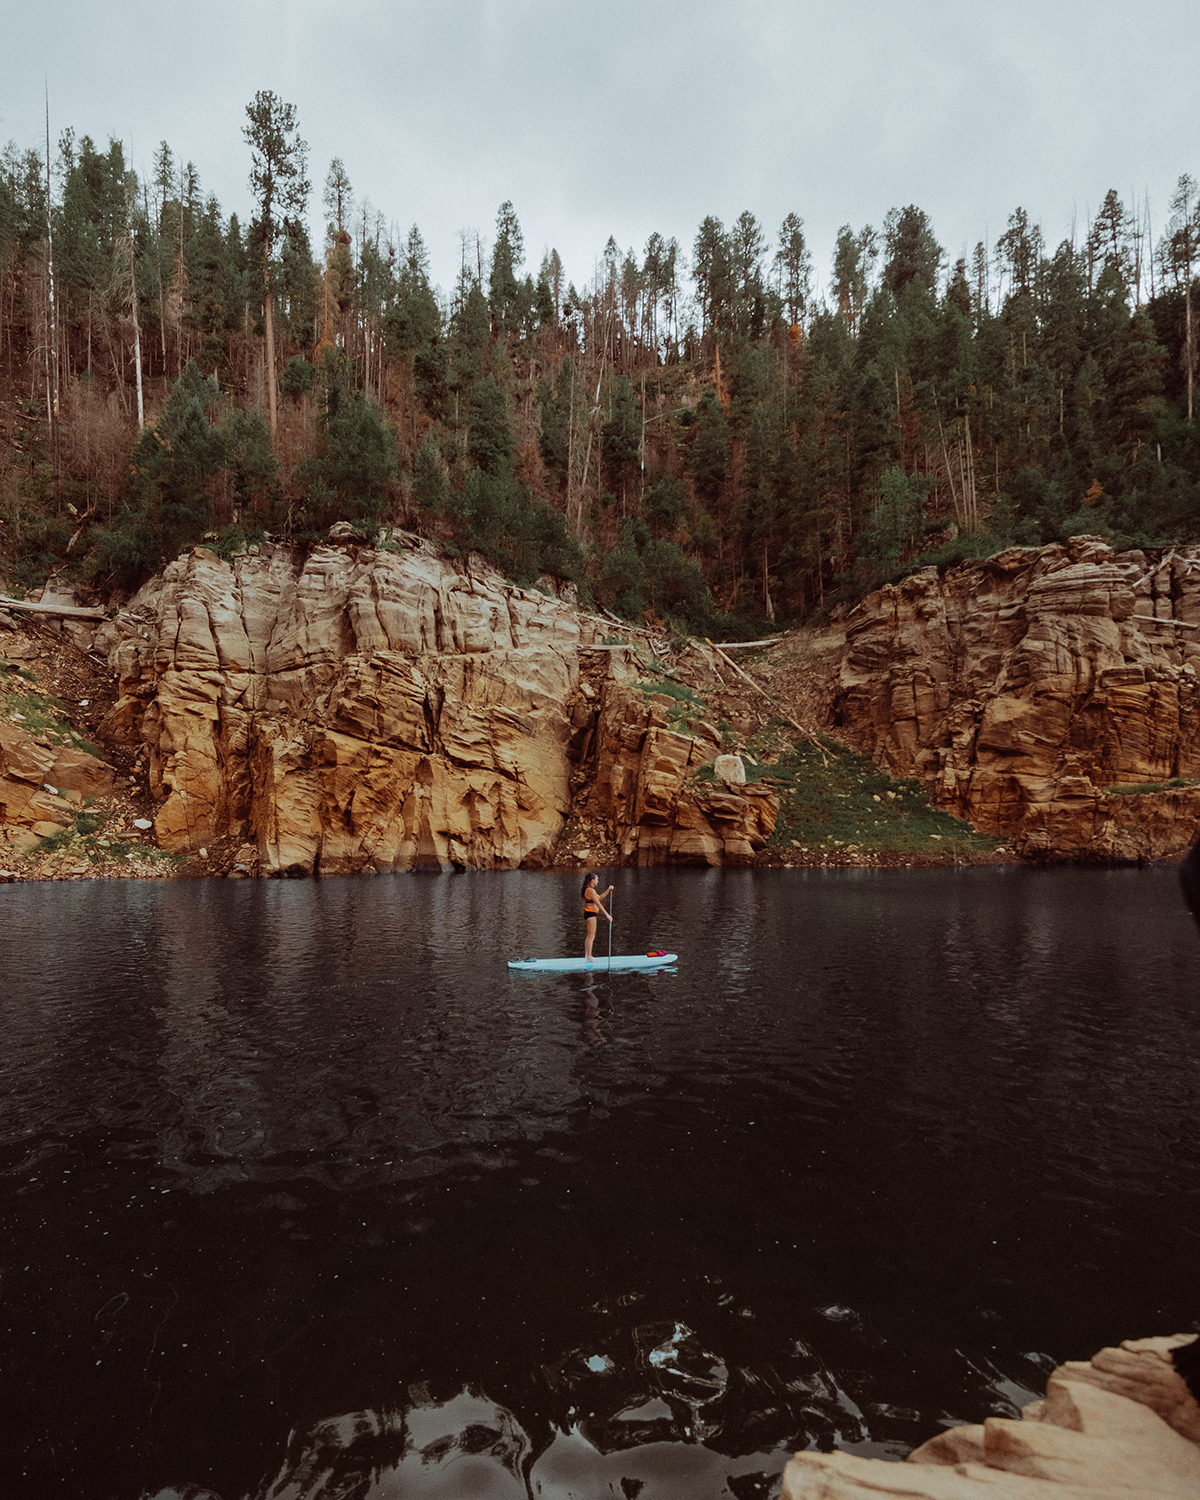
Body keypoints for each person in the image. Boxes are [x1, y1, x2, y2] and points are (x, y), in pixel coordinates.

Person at [581, 871, 613, 964]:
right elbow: (598, 904)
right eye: (597, 880)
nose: (597, 882)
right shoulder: (590, 890)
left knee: (589, 936)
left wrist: (608, 889)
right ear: (592, 880)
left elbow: (600, 898)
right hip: (591, 914)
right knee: (591, 936)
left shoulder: (590, 890)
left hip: (590, 914)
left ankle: (587, 956)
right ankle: (589, 956)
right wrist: (607, 915)